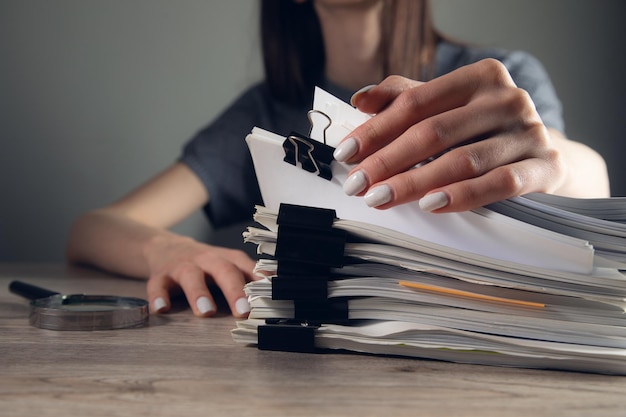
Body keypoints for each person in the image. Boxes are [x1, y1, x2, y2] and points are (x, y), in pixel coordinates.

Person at [66, 0, 610, 319]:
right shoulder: (267, 109)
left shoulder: (501, 77)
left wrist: (554, 161)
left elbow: (591, 182)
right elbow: (93, 229)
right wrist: (170, 248)